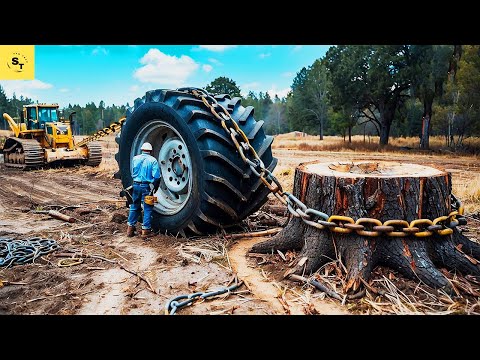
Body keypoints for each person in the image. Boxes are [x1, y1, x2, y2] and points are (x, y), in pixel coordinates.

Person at [127, 142, 161, 239]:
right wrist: (154, 188)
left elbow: (132, 171)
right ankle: (145, 231)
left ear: (142, 149)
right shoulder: (153, 160)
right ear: (150, 151)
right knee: (148, 208)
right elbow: (157, 177)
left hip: (136, 185)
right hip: (146, 187)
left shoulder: (135, 158)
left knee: (134, 206)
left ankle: (130, 229)